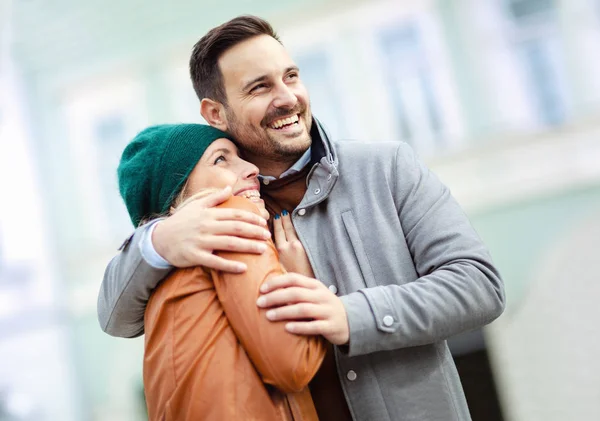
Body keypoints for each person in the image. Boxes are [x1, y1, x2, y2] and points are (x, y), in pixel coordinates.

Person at [98, 15, 506, 421]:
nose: (288, 97)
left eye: (290, 77)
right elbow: (114, 317)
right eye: (260, 86)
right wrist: (158, 241)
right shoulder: (218, 213)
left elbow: (479, 285)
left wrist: (350, 315)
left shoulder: (387, 167)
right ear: (216, 114)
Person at [116, 123, 326, 420]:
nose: (252, 168)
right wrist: (301, 282)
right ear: (176, 199)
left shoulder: (162, 282)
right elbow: (294, 365)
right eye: (220, 159)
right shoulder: (231, 221)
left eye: (239, 156)